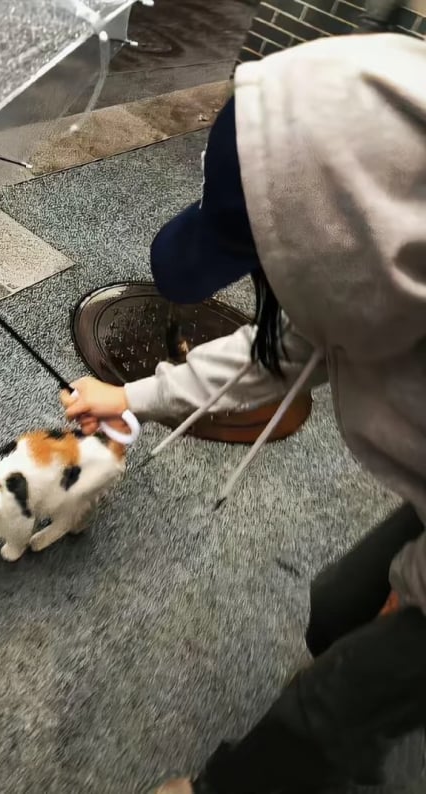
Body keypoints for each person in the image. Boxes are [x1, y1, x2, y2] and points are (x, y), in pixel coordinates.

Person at [60, 32, 426, 793]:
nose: (266, 286)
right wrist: (129, 395)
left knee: (328, 713)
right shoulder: (368, 272)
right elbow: (279, 351)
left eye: (272, 261)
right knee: (336, 606)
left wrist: (412, 594)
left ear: (354, 240)